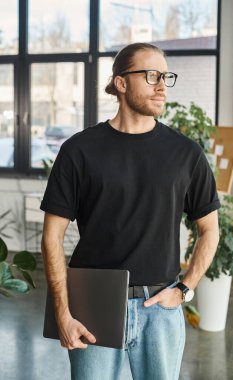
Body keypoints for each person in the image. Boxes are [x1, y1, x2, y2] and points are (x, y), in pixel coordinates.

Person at [40, 42, 220, 380]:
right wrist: (63, 313)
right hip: (93, 304)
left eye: (166, 76)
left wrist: (185, 288)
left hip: (160, 307)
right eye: (151, 75)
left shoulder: (186, 154)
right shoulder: (79, 150)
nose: (162, 85)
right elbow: (52, 236)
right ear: (121, 83)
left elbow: (209, 229)